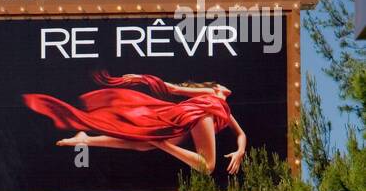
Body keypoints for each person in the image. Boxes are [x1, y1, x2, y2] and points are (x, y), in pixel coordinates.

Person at [23, 72, 248, 177]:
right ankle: (162, 144)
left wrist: (240, 151)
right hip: (196, 115)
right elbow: (174, 89)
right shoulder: (214, 93)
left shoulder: (223, 108)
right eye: (220, 86)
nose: (225, 87)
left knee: (141, 145)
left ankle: (87, 139)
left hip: (188, 117)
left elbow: (240, 134)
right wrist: (141, 79)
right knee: (207, 167)